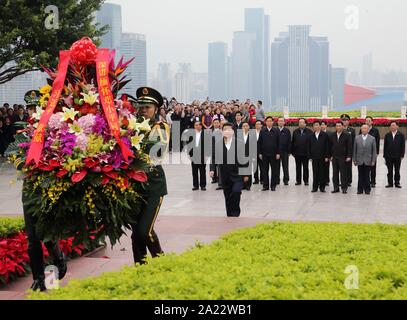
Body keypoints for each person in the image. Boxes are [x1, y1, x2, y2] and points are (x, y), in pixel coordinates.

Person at [131, 86, 168, 265]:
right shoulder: (131, 126)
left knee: (145, 231)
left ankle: (161, 261)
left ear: (156, 109)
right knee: (136, 233)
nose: (143, 110)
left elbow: (155, 155)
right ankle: (141, 269)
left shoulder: (160, 128)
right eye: (141, 107)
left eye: (148, 107)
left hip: (153, 186)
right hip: (134, 186)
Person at [210, 123, 249, 217]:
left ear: (233, 131)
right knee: (227, 195)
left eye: (229, 129)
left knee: (236, 192)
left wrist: (246, 173)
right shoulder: (218, 143)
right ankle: (229, 214)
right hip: (224, 175)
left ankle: (235, 213)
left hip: (237, 174)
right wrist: (212, 169)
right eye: (225, 129)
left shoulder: (239, 143)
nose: (227, 131)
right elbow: (214, 157)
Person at [353, 124, 377, 195]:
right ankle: (360, 189)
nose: (364, 130)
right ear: (361, 129)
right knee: (360, 175)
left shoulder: (372, 138)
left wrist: (373, 160)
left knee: (367, 175)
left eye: (366, 129)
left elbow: (374, 151)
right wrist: (354, 159)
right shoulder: (357, 138)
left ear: (368, 130)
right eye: (363, 129)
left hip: (368, 160)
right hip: (359, 160)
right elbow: (355, 149)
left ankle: (367, 189)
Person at [258, 117, 280, 191]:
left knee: (274, 170)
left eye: (270, 121)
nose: (269, 122)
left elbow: (279, 143)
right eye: (268, 121)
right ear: (266, 122)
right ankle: (265, 185)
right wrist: (260, 153)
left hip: (274, 154)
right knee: (264, 170)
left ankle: (273, 185)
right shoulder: (262, 131)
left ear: (273, 122)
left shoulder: (276, 131)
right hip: (264, 154)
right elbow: (259, 143)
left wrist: (278, 153)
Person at [330, 121, 352, 194]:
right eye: (337, 126)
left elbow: (349, 147)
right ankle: (336, 188)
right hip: (334, 157)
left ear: (342, 126)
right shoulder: (332, 135)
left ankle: (344, 188)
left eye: (339, 126)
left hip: (343, 157)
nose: (338, 127)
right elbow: (330, 146)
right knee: (335, 173)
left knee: (343, 173)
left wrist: (349, 156)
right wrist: (330, 156)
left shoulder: (347, 135)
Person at [308, 121, 330, 193]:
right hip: (314, 157)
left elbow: (327, 146)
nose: (316, 127)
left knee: (322, 172)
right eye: (314, 125)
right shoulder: (311, 135)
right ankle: (315, 187)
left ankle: (322, 187)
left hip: (322, 157)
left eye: (317, 125)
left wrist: (327, 156)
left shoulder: (325, 135)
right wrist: (310, 156)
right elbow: (309, 147)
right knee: (315, 172)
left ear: (320, 126)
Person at [383, 121, 405, 188]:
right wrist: (384, 156)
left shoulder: (401, 135)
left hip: (397, 156)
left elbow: (403, 146)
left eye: (394, 125)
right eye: (391, 125)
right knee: (389, 170)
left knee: (397, 170)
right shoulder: (387, 135)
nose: (392, 126)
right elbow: (385, 146)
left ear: (397, 126)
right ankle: (390, 183)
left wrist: (402, 155)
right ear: (390, 127)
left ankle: (397, 183)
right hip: (388, 156)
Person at [292, 118, 312, 186]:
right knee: (298, 168)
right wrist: (293, 152)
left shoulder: (309, 132)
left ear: (305, 124)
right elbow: (293, 142)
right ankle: (298, 181)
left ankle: (306, 181)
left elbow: (311, 143)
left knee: (305, 168)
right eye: (300, 122)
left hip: (305, 153)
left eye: (302, 122)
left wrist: (310, 153)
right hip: (297, 153)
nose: (301, 124)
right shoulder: (295, 131)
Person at [188, 121, 207, 191]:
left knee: (202, 171)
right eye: (195, 125)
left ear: (201, 126)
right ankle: (195, 185)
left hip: (202, 154)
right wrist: (190, 154)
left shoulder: (205, 134)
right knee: (194, 171)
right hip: (194, 154)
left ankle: (203, 185)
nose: (196, 126)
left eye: (198, 125)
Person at [363, 116, 380, 188]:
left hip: (372, 152)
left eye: (369, 121)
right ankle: (365, 181)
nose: (368, 122)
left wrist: (376, 152)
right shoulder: (362, 129)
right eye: (366, 121)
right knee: (364, 167)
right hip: (364, 153)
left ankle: (373, 182)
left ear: (372, 122)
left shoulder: (375, 130)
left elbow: (377, 141)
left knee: (373, 168)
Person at [341, 114, 356, 187]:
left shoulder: (352, 130)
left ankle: (349, 181)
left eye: (346, 120)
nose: (344, 122)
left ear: (348, 121)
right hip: (340, 153)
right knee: (341, 167)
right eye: (343, 120)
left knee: (348, 167)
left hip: (348, 152)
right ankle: (342, 181)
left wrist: (352, 154)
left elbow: (353, 142)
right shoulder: (339, 129)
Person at [276, 117, 291, 185]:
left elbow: (289, 141)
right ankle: (277, 179)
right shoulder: (275, 130)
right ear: (277, 122)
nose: (281, 122)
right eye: (279, 121)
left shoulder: (287, 130)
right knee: (276, 167)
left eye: (282, 121)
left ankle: (286, 180)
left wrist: (289, 151)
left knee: (285, 166)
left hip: (285, 152)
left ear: (284, 122)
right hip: (276, 152)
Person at [321, 121, 332, 186]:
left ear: (326, 126)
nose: (322, 126)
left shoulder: (329, 133)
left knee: (326, 168)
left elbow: (330, 145)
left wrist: (329, 155)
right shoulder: (317, 133)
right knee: (320, 168)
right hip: (319, 154)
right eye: (321, 125)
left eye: (323, 125)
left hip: (327, 154)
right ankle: (320, 180)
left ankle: (326, 181)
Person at [253, 120, 264, 185]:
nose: (258, 125)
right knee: (255, 167)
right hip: (254, 153)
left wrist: (261, 153)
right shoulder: (252, 133)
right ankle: (256, 179)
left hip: (261, 153)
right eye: (256, 124)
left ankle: (262, 179)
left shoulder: (263, 132)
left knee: (262, 167)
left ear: (261, 125)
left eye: (259, 124)